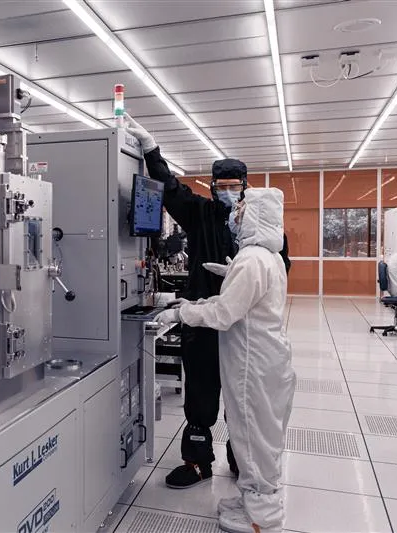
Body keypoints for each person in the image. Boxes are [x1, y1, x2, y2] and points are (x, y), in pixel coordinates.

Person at [125, 113, 291, 488]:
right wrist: (152, 150)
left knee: (242, 394)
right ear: (213, 187)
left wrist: (245, 285)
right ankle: (198, 459)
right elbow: (170, 188)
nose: (228, 193)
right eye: (221, 186)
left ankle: (241, 457)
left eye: (235, 186)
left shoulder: (266, 234)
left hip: (243, 331)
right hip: (202, 323)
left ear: (246, 187)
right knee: (200, 389)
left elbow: (278, 276)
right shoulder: (202, 214)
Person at [155, 188, 296, 533]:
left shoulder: (252, 259)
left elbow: (224, 313)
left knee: (251, 436)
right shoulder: (267, 256)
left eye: (243, 208)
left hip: (253, 365)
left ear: (257, 214)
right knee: (257, 434)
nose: (236, 212)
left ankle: (262, 515)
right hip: (267, 359)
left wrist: (182, 313)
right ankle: (252, 497)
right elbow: (249, 296)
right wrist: (231, 274)